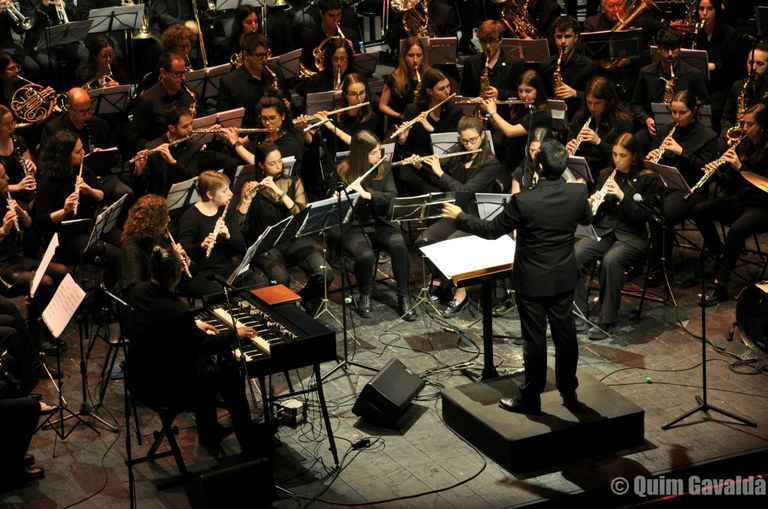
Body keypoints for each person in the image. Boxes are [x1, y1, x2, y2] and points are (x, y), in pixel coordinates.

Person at [441, 138, 592, 414]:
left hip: (533, 280)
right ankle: (569, 391)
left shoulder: (524, 200)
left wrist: (460, 216)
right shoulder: (577, 194)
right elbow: (587, 219)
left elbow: (490, 230)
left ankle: (531, 398)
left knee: (534, 340)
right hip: (562, 276)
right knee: (566, 335)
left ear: (540, 165)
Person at [127, 245, 264, 455]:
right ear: (174, 274)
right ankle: (250, 445)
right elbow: (206, 344)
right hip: (166, 387)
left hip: (140, 374)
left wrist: (192, 325)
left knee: (204, 364)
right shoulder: (176, 312)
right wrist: (236, 334)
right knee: (230, 374)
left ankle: (209, 431)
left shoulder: (137, 292)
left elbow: (161, 323)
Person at [574, 133, 660, 340]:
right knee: (577, 253)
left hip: (633, 236)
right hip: (605, 231)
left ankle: (608, 320)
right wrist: (594, 203)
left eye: (623, 155)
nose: (617, 159)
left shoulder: (648, 179)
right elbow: (593, 216)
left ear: (634, 156)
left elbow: (643, 217)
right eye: (614, 154)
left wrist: (622, 196)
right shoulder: (606, 174)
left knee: (610, 261)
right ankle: (577, 312)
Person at [413, 116, 501, 316]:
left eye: (473, 140)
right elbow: (442, 183)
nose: (468, 144)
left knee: (453, 245)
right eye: (464, 140)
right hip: (455, 214)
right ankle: (443, 277)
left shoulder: (490, 163)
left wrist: (439, 172)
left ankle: (461, 293)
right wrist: (420, 168)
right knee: (423, 242)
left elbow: (464, 190)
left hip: (475, 219)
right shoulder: (459, 153)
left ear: (482, 136)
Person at [232, 142, 331, 317]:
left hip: (292, 239)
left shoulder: (294, 181)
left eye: (280, 161)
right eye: (272, 163)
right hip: (267, 244)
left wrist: (280, 192)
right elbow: (240, 226)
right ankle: (287, 316)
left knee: (325, 273)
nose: (279, 166)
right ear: (261, 166)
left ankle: (300, 300)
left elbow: (302, 213)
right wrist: (246, 201)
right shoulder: (251, 186)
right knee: (280, 279)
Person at [331, 131, 415, 320]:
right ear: (362, 154)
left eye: (380, 151)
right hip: (353, 225)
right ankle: (365, 293)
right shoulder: (343, 171)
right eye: (375, 153)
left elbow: (392, 197)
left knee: (398, 244)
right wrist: (341, 198)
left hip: (380, 222)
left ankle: (404, 295)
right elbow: (333, 207)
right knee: (365, 254)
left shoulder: (384, 167)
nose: (380, 156)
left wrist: (369, 195)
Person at [693, 103, 768, 306]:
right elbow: (733, 182)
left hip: (763, 207)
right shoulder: (744, 144)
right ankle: (718, 252)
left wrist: (740, 167)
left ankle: (720, 283)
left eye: (749, 124)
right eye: (743, 123)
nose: (744, 129)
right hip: (743, 200)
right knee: (700, 210)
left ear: (762, 126)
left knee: (737, 230)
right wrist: (716, 173)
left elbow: (762, 187)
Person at [644, 89, 720, 282]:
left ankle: (663, 265)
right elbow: (654, 160)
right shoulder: (665, 130)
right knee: (645, 206)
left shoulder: (708, 136)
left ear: (694, 111)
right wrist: (653, 157)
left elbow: (706, 171)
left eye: (682, 112)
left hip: (692, 189)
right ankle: (650, 257)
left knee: (663, 215)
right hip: (666, 185)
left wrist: (681, 152)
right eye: (674, 112)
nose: (677, 117)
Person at [32, 130, 121, 282]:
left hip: (90, 227)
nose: (84, 153)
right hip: (65, 238)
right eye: (78, 151)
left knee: (128, 243)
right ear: (64, 156)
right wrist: (65, 210)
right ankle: (107, 294)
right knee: (116, 256)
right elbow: (41, 220)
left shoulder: (82, 170)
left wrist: (91, 191)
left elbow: (104, 196)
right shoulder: (47, 182)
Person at [176, 170, 264, 298]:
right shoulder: (191, 217)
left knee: (259, 283)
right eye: (224, 191)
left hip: (225, 266)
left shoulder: (225, 210)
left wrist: (228, 236)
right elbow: (182, 250)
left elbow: (240, 245)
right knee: (221, 295)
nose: (230, 194)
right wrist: (201, 245)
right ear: (210, 194)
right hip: (201, 271)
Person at [630, 27, 710, 147]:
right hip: (655, 128)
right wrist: (647, 120)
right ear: (658, 49)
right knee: (635, 141)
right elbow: (636, 104)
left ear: (680, 48)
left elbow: (704, 104)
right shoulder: (646, 73)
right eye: (666, 50)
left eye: (674, 49)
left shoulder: (693, 74)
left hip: (684, 129)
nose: (670, 54)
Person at [395, 68, 462, 196]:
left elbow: (451, 145)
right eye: (441, 89)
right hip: (418, 166)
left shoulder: (454, 110)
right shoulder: (412, 111)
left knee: (456, 189)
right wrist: (402, 141)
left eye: (448, 86)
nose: (447, 92)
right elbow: (403, 151)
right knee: (436, 194)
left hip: (445, 165)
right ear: (429, 91)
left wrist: (430, 128)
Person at [118, 194, 190, 296]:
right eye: (165, 217)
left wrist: (179, 261)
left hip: (161, 293)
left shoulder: (159, 237)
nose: (168, 219)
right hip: (145, 301)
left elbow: (179, 276)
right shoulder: (131, 247)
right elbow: (133, 290)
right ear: (154, 222)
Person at [565, 76, 634, 181]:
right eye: (589, 102)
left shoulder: (622, 122)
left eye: (597, 103)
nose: (592, 108)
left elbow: (622, 158)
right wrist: (570, 144)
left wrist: (598, 142)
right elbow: (571, 135)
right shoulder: (580, 117)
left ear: (608, 101)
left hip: (606, 173)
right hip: (581, 171)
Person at [481, 70, 552, 172]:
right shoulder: (520, 107)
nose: (523, 95)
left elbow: (511, 132)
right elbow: (503, 128)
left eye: (528, 91)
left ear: (538, 91)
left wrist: (493, 112)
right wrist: (485, 109)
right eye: (520, 90)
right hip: (511, 161)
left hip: (528, 166)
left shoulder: (542, 115)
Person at [217, 32, 290, 129]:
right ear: (246, 55)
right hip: (248, 135)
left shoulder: (276, 72)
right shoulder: (229, 82)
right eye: (259, 55)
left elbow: (290, 101)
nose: (264, 60)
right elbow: (225, 122)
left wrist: (287, 105)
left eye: (266, 54)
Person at [127, 52, 197, 153]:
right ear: (163, 73)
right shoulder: (147, 100)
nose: (183, 78)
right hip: (161, 154)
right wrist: (154, 147)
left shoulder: (189, 94)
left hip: (189, 150)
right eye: (178, 74)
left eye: (184, 72)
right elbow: (133, 138)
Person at [692, 0, 743, 132]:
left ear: (717, 12)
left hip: (723, 86)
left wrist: (712, 66)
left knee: (706, 107)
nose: (704, 13)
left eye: (709, 9)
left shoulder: (730, 34)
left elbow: (735, 69)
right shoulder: (696, 33)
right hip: (702, 85)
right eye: (701, 9)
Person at [539, 15, 598, 113]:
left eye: (567, 36)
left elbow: (596, 98)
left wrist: (575, 93)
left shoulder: (588, 66)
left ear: (576, 38)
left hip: (580, 115)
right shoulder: (546, 65)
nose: (563, 41)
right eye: (559, 37)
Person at [459, 20, 525, 104]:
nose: (487, 46)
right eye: (483, 41)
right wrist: (473, 101)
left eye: (492, 41)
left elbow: (521, 94)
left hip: (504, 113)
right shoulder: (470, 62)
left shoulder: (516, 63)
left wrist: (500, 93)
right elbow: (465, 94)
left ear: (500, 40)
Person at [720, 41, 768, 141]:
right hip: (738, 138)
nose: (753, 68)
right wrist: (729, 135)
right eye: (751, 62)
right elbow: (726, 118)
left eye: (760, 64)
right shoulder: (738, 86)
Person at [378, 36, 431, 126]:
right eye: (411, 55)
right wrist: (401, 116)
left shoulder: (429, 75)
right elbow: (382, 106)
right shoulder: (394, 77)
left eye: (419, 55)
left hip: (425, 121)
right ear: (403, 56)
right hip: (402, 123)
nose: (415, 60)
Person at [299, 0, 361, 75]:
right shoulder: (308, 37)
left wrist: (351, 52)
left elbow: (357, 65)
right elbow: (304, 65)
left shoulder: (350, 35)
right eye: (331, 15)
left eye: (339, 14)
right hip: (318, 81)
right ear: (321, 14)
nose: (336, 19)